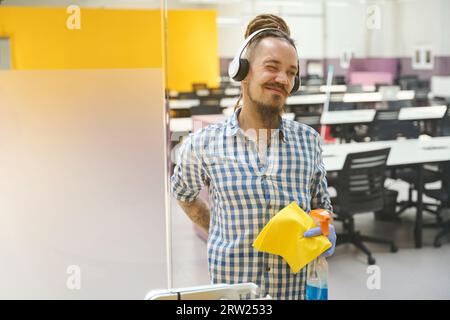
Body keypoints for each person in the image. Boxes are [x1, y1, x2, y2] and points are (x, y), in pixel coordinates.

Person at [171, 14, 336, 300]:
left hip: (294, 293)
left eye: (291, 72)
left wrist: (326, 228)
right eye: (272, 67)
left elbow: (321, 207)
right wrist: (218, 228)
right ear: (243, 72)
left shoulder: (308, 141)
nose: (283, 79)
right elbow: (182, 192)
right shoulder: (203, 144)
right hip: (236, 297)